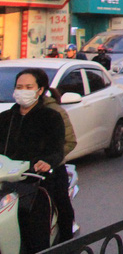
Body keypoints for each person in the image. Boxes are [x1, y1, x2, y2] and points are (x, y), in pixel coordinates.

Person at [0, 68, 67, 253]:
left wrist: (46, 163)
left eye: (29, 87)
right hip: (4, 182)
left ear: (40, 90)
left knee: (35, 233)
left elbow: (56, 149)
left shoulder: (51, 117)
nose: (23, 91)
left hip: (34, 183)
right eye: (19, 87)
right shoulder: (5, 118)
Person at [43, 90, 76, 242]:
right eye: (19, 87)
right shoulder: (13, 114)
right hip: (21, 171)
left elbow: (70, 142)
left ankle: (67, 243)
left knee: (61, 204)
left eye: (29, 87)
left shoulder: (55, 112)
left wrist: (49, 159)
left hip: (53, 170)